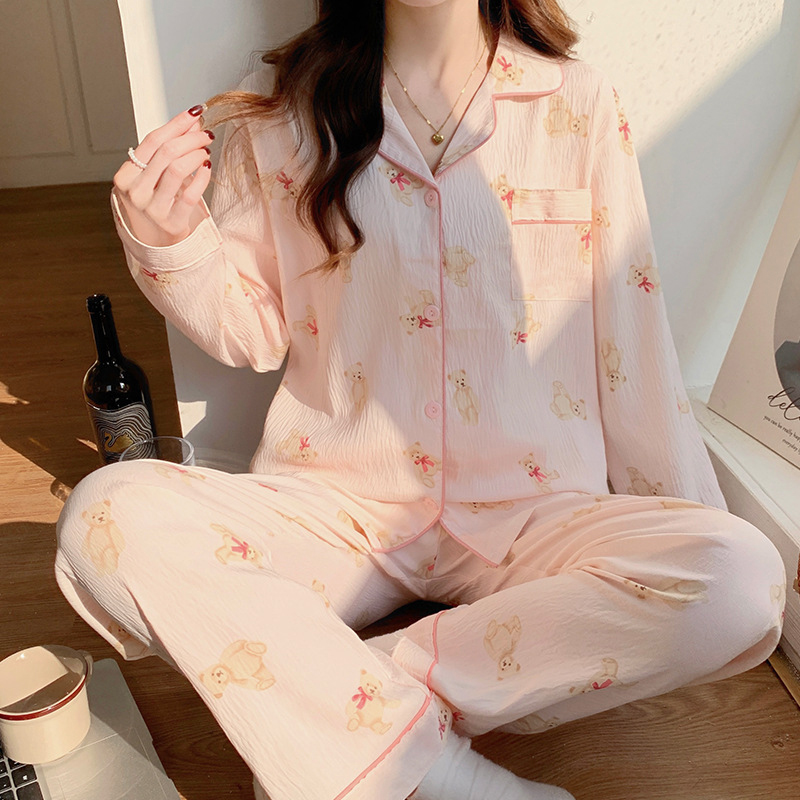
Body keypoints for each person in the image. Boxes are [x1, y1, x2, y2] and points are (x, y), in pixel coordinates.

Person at [54, 1, 787, 799]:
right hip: (337, 505)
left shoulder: (576, 102)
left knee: (743, 578)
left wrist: (685, 539)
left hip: (533, 510)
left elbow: (630, 336)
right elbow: (253, 334)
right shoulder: (282, 112)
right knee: (107, 513)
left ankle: (344, 709)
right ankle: (438, 773)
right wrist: (169, 241)